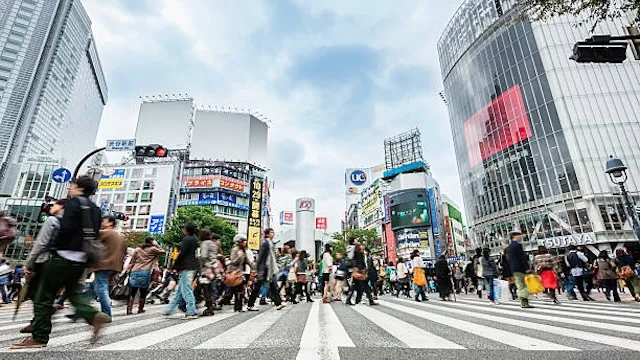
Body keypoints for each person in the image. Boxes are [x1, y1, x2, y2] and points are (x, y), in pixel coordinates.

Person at [12, 176, 110, 349]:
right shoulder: (95, 209)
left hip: (61, 257)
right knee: (74, 294)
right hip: (81, 260)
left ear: (79, 188)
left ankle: (39, 337)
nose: (69, 188)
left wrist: (47, 253)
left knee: (43, 297)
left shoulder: (72, 204)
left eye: (72, 185)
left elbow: (64, 231)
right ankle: (94, 315)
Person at [91, 215, 127, 317]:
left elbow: (90, 239)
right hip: (114, 266)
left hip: (103, 264)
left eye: (104, 221)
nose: (102, 223)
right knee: (92, 287)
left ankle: (106, 313)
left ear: (111, 223)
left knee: (101, 288)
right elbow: (124, 253)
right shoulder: (120, 237)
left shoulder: (105, 233)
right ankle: (79, 310)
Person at [164, 222, 199, 319]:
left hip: (186, 267)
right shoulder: (195, 240)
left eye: (184, 228)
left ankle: (191, 311)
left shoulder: (187, 239)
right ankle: (169, 310)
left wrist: (175, 266)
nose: (182, 230)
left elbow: (182, 253)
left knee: (186, 289)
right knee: (180, 291)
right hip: (192, 266)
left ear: (187, 230)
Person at [247, 229, 284, 311]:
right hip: (264, 269)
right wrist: (256, 269)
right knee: (257, 287)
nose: (273, 234)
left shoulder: (271, 243)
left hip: (269, 269)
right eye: (271, 232)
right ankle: (250, 304)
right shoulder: (265, 243)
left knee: (273, 286)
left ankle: (278, 303)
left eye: (273, 232)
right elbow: (260, 257)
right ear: (267, 234)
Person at [127, 237, 164, 314]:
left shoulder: (138, 249)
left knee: (133, 291)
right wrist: (157, 245)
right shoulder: (153, 249)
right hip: (145, 271)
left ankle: (129, 309)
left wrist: (128, 270)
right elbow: (163, 252)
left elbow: (132, 261)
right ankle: (140, 309)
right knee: (143, 291)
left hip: (135, 271)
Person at [507, 230, 533, 308]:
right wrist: (527, 268)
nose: (520, 237)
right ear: (515, 236)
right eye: (519, 235)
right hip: (520, 268)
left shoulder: (509, 247)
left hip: (514, 269)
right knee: (524, 285)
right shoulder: (517, 246)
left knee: (520, 285)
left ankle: (523, 302)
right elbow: (522, 258)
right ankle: (524, 300)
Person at [199, 230, 223, 315]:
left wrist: (201, 265)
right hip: (214, 268)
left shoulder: (205, 243)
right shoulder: (213, 244)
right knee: (209, 288)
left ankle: (209, 308)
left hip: (207, 268)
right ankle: (210, 305)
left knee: (205, 288)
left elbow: (203, 256)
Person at [228, 234, 250, 312]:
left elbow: (247, 261)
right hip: (234, 272)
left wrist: (254, 267)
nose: (245, 243)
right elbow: (233, 262)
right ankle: (237, 307)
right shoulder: (235, 250)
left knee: (240, 290)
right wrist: (239, 257)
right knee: (236, 290)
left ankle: (238, 307)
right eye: (244, 241)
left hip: (240, 273)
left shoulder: (243, 250)